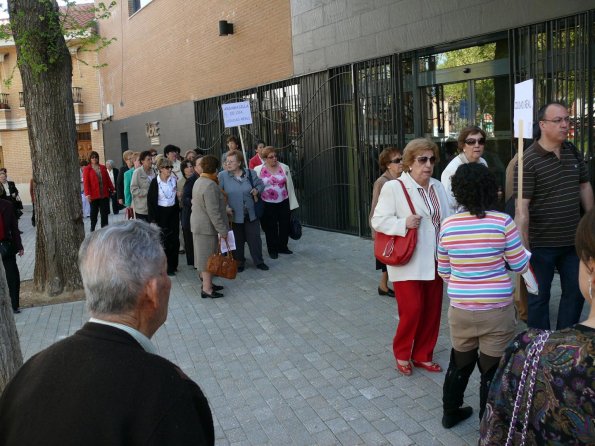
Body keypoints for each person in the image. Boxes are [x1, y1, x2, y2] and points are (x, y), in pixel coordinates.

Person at [0, 221, 215, 445]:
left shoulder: (27, 375)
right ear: (152, 291)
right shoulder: (167, 394)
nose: (168, 282)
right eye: (163, 272)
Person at [479, 208, 595, 445]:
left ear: (591, 266)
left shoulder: (529, 353)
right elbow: (519, 260)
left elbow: (496, 432)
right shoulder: (501, 222)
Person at [437, 163, 530, 428]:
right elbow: (520, 265)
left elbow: (444, 270)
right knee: (491, 370)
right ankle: (487, 425)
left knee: (460, 362)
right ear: (490, 188)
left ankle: (450, 412)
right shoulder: (502, 222)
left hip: (461, 309)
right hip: (496, 309)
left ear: (459, 191)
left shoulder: (448, 225)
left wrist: (466, 282)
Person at [371, 138, 451, 376]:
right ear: (408, 163)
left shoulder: (437, 186)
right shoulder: (394, 187)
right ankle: (402, 352)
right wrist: (402, 223)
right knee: (413, 310)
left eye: (432, 159)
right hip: (408, 260)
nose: (428, 164)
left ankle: (423, 354)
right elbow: (377, 220)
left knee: (432, 310)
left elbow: (446, 220)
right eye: (422, 159)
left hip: (436, 259)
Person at [515, 101, 594, 330]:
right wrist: (524, 248)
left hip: (573, 241)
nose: (565, 124)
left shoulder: (572, 151)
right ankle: (538, 345)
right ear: (542, 124)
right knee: (539, 296)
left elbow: (584, 186)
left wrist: (590, 224)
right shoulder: (528, 160)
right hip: (542, 245)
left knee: (577, 292)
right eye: (558, 120)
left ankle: (564, 338)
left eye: (567, 119)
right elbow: (522, 209)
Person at [219, 150, 268, 272]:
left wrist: (257, 190)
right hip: (234, 215)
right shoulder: (223, 176)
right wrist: (224, 208)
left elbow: (261, 184)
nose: (228, 163)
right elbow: (218, 194)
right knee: (237, 240)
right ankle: (239, 263)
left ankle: (259, 261)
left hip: (251, 214)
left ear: (239, 163)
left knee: (255, 239)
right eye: (227, 161)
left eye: (231, 161)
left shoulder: (250, 173)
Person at [191, 155, 229, 299]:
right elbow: (213, 212)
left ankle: (208, 285)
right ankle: (207, 289)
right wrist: (223, 231)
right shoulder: (210, 185)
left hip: (200, 226)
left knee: (205, 257)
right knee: (207, 259)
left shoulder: (200, 180)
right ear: (215, 168)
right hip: (206, 228)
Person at [254, 146, 299, 259]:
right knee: (271, 227)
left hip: (283, 200)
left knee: (284, 225)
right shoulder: (258, 169)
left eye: (275, 156)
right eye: (271, 157)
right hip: (267, 203)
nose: (274, 158)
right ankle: (272, 250)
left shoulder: (284, 167)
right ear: (265, 159)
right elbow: (255, 185)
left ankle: (283, 247)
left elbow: (289, 185)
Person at [370, 147, 403, 298]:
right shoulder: (382, 182)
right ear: (388, 164)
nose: (401, 162)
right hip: (386, 228)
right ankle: (384, 286)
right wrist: (374, 232)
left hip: (398, 225)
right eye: (397, 160)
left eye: (402, 159)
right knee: (389, 258)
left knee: (390, 260)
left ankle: (383, 286)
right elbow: (375, 208)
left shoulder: (402, 178)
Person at [440, 126, 488, 214]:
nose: (477, 145)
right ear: (463, 146)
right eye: (471, 142)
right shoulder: (452, 170)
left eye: (481, 141)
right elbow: (448, 205)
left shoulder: (483, 162)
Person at [148, 158, 180, 276]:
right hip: (160, 213)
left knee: (174, 239)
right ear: (160, 169)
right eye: (167, 167)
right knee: (163, 241)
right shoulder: (155, 182)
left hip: (173, 213)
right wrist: (152, 219)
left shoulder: (173, 180)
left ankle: (173, 265)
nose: (170, 170)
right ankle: (165, 268)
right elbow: (150, 202)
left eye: (171, 167)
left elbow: (174, 196)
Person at [0, 199, 23, 314]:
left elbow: (14, 228)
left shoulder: (7, 206)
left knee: (12, 276)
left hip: (6, 246)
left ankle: (14, 305)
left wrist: (19, 246)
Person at [82, 151, 114, 231]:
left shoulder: (103, 167)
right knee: (94, 214)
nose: (94, 159)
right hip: (93, 195)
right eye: (92, 157)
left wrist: (112, 189)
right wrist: (87, 194)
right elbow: (86, 183)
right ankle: (92, 229)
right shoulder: (87, 169)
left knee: (104, 214)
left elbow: (108, 179)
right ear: (90, 159)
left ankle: (105, 230)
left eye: (96, 157)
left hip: (104, 194)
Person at [182, 156, 203, 267]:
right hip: (190, 215)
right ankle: (196, 264)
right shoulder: (192, 179)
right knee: (192, 242)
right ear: (195, 167)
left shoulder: (207, 177)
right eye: (200, 164)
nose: (203, 165)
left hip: (199, 216)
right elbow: (185, 199)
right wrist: (194, 202)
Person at [130, 150, 156, 221]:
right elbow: (133, 190)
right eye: (148, 159)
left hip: (153, 207)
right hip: (142, 208)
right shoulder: (137, 172)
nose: (151, 161)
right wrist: (148, 192)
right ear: (142, 161)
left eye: (151, 159)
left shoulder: (154, 171)